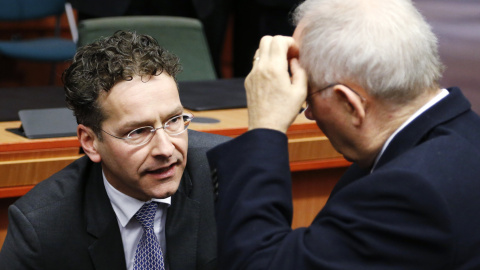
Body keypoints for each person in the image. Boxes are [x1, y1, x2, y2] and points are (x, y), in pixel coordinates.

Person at [207, 0, 480, 269]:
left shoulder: (411, 191)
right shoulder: (466, 135)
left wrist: (265, 125)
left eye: (307, 96)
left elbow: (258, 262)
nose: (308, 114)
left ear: (350, 103)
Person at [0, 31, 228, 270]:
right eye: (138, 131)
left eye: (173, 120)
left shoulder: (229, 173)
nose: (165, 148)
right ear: (90, 141)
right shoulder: (42, 227)